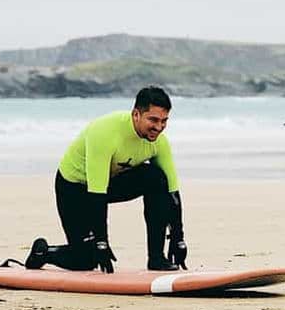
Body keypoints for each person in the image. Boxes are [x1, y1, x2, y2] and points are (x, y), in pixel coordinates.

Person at [24, 86, 188, 273]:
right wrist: (101, 242)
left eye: (164, 121)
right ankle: (42, 253)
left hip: (111, 182)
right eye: (153, 120)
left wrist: (178, 238)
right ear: (136, 114)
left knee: (156, 178)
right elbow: (97, 193)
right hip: (74, 188)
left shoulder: (159, 142)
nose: (159, 127)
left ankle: (157, 258)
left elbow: (172, 193)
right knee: (86, 260)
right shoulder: (105, 133)